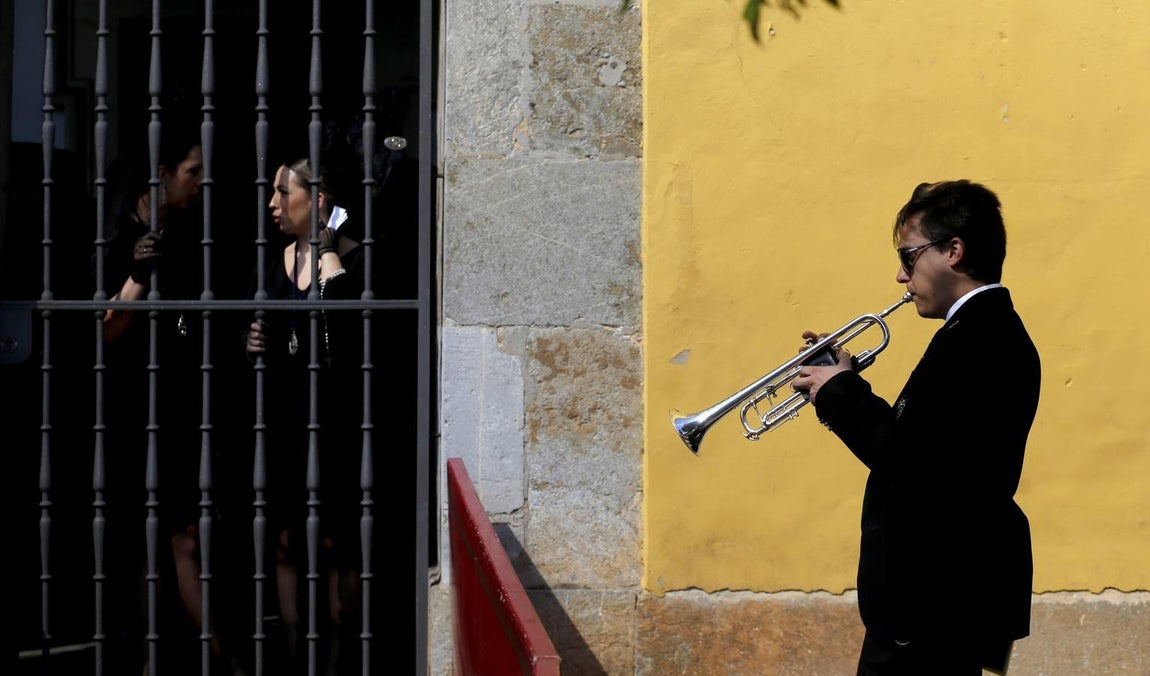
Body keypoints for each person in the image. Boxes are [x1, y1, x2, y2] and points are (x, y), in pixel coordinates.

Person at [791, 180, 1041, 675]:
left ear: (953, 251)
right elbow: (924, 446)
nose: (901, 276)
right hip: (932, 604)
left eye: (909, 257)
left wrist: (840, 393)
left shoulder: (979, 340)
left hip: (932, 606)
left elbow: (907, 459)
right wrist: (840, 380)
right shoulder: (978, 332)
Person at [101, 126, 245, 675]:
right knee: (145, 541)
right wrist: (137, 274)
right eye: (193, 171)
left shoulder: (191, 232)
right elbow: (107, 329)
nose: (202, 181)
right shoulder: (117, 233)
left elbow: (198, 317)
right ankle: (152, 658)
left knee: (184, 537)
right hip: (130, 406)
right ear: (162, 175)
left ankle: (220, 660)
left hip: (182, 404)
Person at [244, 148, 367, 675]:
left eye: (282, 192)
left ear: (316, 201)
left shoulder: (353, 260)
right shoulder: (277, 261)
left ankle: (340, 659)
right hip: (284, 423)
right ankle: (297, 655)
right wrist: (251, 341)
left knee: (337, 545)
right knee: (287, 543)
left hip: (336, 425)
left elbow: (346, 337)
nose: (272, 203)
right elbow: (266, 330)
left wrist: (329, 251)